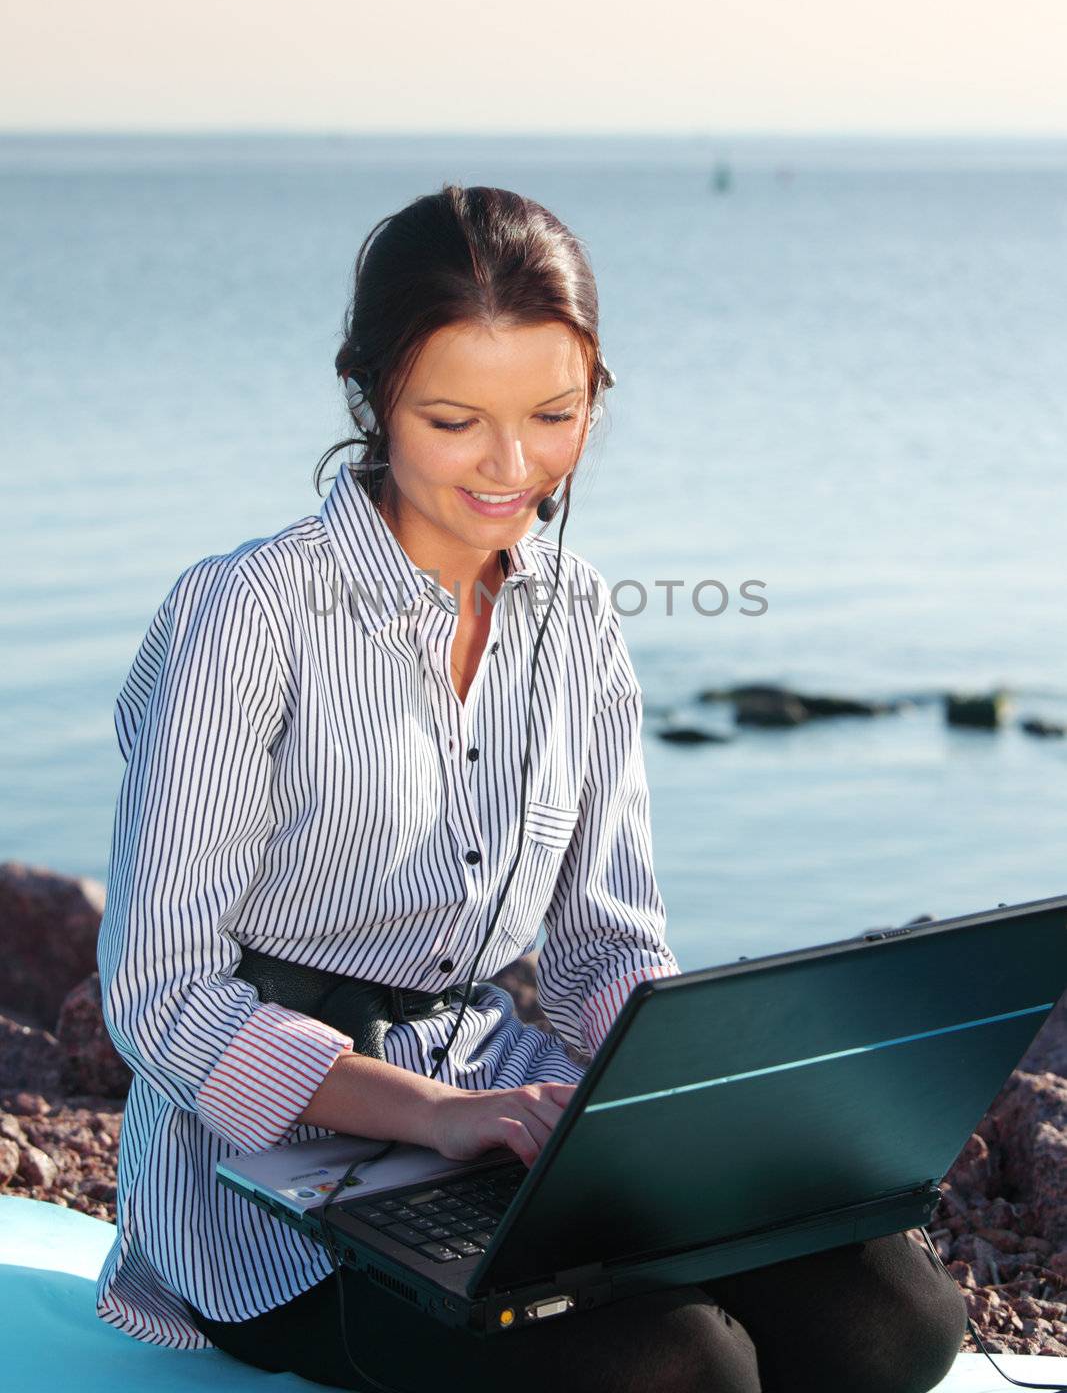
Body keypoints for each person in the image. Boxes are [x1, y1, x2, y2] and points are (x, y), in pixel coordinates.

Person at [95, 184, 968, 1392]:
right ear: (370, 399)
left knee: (892, 1316)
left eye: (553, 414)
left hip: (507, 1115)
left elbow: (605, 944)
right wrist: (428, 1112)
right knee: (677, 1366)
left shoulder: (580, 611)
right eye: (454, 419)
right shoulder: (247, 615)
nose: (512, 468)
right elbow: (160, 992)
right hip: (268, 1183)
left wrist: (692, 1108)